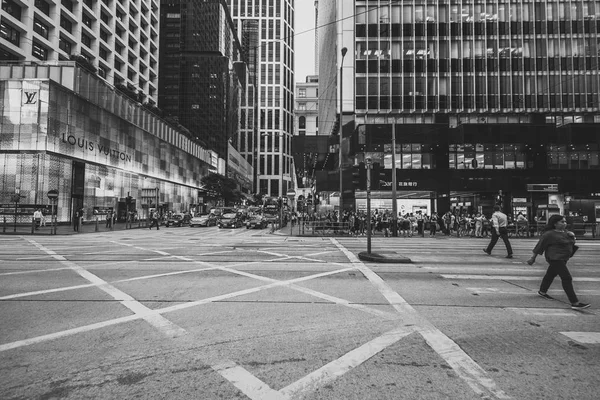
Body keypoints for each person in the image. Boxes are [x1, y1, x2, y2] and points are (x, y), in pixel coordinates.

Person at [527, 214, 590, 310]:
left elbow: (571, 244)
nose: (565, 223)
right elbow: (540, 246)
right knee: (567, 278)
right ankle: (575, 302)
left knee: (550, 274)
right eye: (562, 222)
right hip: (555, 258)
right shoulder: (549, 234)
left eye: (565, 222)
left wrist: (573, 237)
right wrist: (533, 258)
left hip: (564, 258)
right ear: (555, 224)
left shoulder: (566, 232)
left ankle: (542, 291)